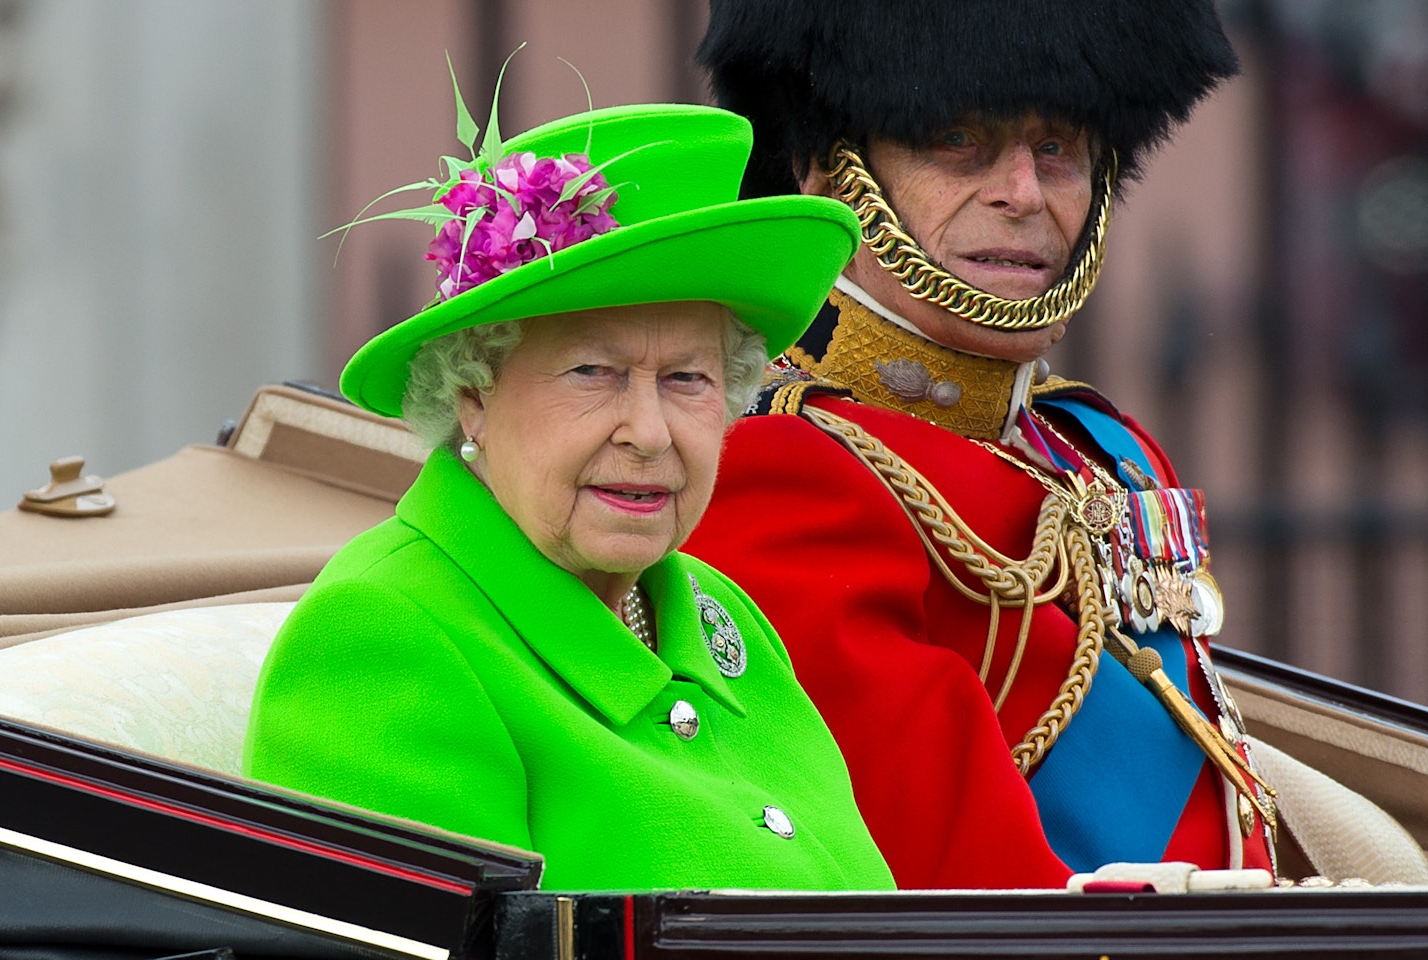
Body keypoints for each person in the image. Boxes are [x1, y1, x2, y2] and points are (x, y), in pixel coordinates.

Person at [684, 0, 1279, 888]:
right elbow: (954, 884)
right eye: (957, 139)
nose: (1024, 193)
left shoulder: (1097, 444)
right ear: (823, 168)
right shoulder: (786, 465)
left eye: (1059, 148)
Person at [243, 98, 895, 892]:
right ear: (472, 391)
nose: (650, 432)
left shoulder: (719, 612)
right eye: (594, 373)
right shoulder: (382, 636)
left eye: (687, 379)